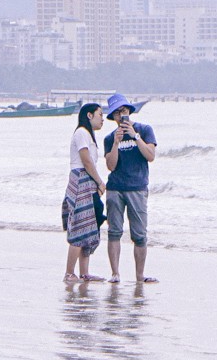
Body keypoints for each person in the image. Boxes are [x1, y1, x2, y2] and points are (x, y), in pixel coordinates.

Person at [102, 94, 158, 284]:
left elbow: (150, 155)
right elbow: (110, 165)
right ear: (113, 117)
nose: (121, 116)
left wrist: (135, 136)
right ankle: (115, 274)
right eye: (117, 113)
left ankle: (139, 275)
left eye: (123, 111)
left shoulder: (144, 129)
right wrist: (116, 143)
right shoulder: (110, 138)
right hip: (115, 187)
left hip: (137, 187)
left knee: (140, 234)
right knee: (114, 232)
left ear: (129, 111)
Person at [62, 102, 106, 281]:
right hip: (81, 179)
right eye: (100, 114)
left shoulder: (89, 134)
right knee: (80, 225)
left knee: (91, 224)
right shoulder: (81, 132)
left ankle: (84, 273)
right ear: (89, 115)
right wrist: (100, 182)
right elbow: (86, 161)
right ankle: (69, 272)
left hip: (87, 180)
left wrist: (95, 183)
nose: (103, 118)